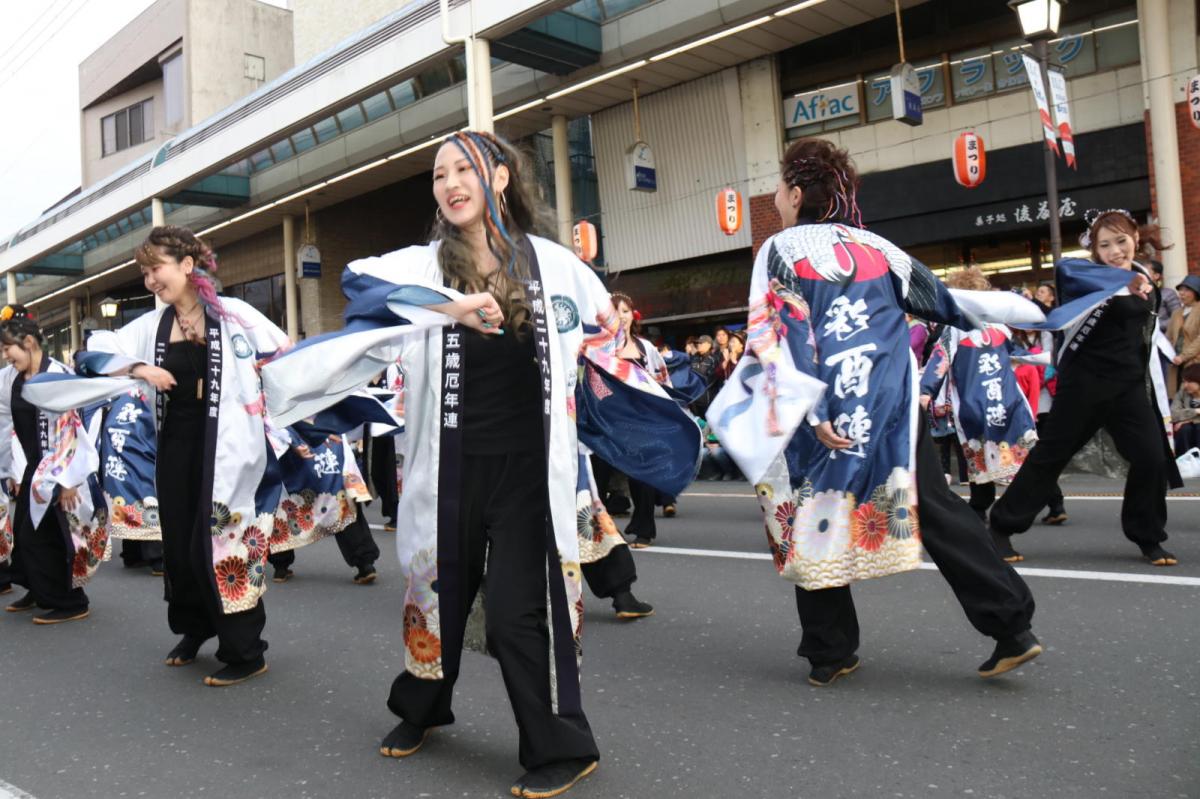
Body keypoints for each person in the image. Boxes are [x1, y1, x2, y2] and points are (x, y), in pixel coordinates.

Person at [259, 131, 698, 798]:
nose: (450, 182)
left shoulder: (555, 264)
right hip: (449, 465)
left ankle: (562, 744)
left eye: (464, 168)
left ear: (499, 177)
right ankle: (423, 708)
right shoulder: (425, 265)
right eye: (439, 174)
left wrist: (615, 348)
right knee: (436, 596)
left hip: (530, 468)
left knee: (526, 608)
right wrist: (455, 307)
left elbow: (606, 336)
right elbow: (360, 285)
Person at [712, 137, 1040, 687]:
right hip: (889, 403)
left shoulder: (780, 250)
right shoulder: (878, 247)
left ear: (795, 194)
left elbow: (777, 332)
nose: (776, 196)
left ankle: (830, 650)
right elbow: (947, 302)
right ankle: (1011, 626)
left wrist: (812, 410)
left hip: (826, 409)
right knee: (932, 505)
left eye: (779, 188)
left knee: (807, 513)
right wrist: (1031, 311)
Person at [25, 226, 292, 685]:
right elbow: (93, 353)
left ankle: (246, 649)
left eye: (156, 269)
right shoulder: (153, 326)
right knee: (182, 548)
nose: (150, 280)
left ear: (187, 266)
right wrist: (138, 368)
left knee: (222, 543)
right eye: (145, 272)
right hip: (176, 446)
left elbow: (284, 357)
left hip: (228, 448)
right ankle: (195, 628)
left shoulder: (234, 316)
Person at [990, 210, 1182, 566]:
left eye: (1121, 241)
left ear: (1135, 240)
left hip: (1127, 387)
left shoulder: (1142, 276)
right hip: (1084, 385)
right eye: (1104, 245)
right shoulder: (1084, 276)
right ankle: (1000, 527)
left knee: (1151, 459)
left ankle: (1148, 536)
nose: (1115, 251)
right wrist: (1119, 282)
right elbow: (1066, 270)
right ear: (1094, 249)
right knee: (1051, 457)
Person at [0, 306, 105, 624]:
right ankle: (39, 588)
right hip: (34, 465)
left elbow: (73, 431)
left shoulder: (57, 374)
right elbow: (4, 425)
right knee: (26, 532)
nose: (6, 356)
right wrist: (9, 471)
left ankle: (72, 600)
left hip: (60, 467)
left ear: (29, 343)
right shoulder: (10, 378)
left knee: (53, 535)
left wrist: (68, 480)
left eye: (8, 348)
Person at [919, 267, 1040, 522]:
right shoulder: (999, 327)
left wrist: (925, 391)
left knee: (982, 457)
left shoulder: (956, 329)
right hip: (1007, 401)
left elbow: (940, 360)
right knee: (1025, 456)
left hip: (975, 405)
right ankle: (1052, 501)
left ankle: (979, 508)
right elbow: (1016, 353)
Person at [591, 291, 669, 549]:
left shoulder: (645, 347)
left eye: (625, 311)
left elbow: (662, 381)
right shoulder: (595, 347)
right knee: (597, 477)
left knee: (642, 479)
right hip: (605, 420)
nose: (621, 317)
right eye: (615, 312)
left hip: (639, 421)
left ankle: (644, 530)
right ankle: (598, 530)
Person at [1164, 274, 1200, 397]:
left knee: (1194, 396)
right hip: (1176, 363)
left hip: (1195, 363)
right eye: (1180, 290)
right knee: (1178, 397)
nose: (1182, 293)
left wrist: (1183, 356)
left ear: (1196, 292)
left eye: (1187, 290)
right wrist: (1168, 354)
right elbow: (1168, 337)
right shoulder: (1176, 313)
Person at [1170, 363, 1200, 452]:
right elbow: (1173, 414)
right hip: (1187, 429)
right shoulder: (1182, 393)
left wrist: (1189, 420)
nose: (1185, 385)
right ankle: (1184, 461)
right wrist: (1196, 411)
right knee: (1185, 429)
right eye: (1184, 381)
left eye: (1189, 381)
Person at [1149, 260, 1182, 334]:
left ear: (1156, 276)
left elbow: (1177, 318)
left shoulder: (1167, 293)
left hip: (1163, 338)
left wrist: (1154, 325)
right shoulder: (1137, 294)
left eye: (1146, 271)